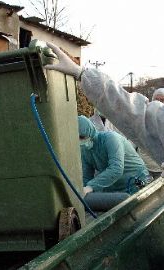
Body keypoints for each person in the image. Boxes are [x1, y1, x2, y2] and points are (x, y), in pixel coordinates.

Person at [45, 42, 164, 176]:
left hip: (135, 174)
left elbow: (117, 166)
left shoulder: (112, 138)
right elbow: (133, 112)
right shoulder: (90, 134)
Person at [78, 115, 151, 195]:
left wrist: (91, 187)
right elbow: (86, 176)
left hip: (135, 181)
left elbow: (116, 168)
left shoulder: (111, 138)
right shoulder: (85, 149)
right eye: (77, 138)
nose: (80, 141)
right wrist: (84, 190)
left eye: (82, 137)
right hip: (115, 187)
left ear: (89, 131)